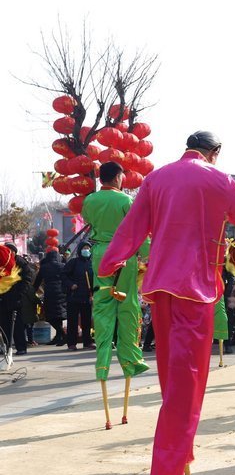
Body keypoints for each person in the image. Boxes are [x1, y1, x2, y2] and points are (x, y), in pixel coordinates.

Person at [97, 130, 235, 475]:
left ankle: (179, 459)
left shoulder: (156, 178)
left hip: (160, 287)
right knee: (189, 384)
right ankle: (171, 467)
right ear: (215, 152)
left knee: (172, 379)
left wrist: (111, 262)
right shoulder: (217, 178)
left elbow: (132, 229)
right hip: (197, 289)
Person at [82, 162, 150, 382]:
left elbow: (89, 222)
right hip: (122, 254)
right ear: (118, 177)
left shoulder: (89, 200)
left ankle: (102, 363)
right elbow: (138, 229)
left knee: (102, 304)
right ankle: (130, 360)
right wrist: (148, 254)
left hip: (100, 254)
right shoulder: (126, 201)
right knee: (127, 304)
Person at [0, 242, 33, 355]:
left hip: (16, 298)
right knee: (3, 325)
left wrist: (19, 294)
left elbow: (27, 279)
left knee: (17, 325)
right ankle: (4, 347)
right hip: (3, 298)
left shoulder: (20, 263)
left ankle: (21, 347)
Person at [61, 241, 95, 350]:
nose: (87, 250)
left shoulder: (92, 263)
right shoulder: (73, 262)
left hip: (87, 297)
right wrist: (71, 285)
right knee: (72, 321)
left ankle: (87, 342)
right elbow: (63, 275)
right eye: (84, 248)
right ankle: (71, 343)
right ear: (80, 250)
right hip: (74, 297)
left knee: (87, 321)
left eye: (88, 248)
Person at [33, 249, 67, 347]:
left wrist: (32, 291)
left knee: (50, 316)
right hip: (62, 292)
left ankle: (63, 335)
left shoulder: (44, 267)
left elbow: (38, 281)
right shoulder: (62, 266)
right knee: (58, 315)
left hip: (50, 293)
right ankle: (58, 337)